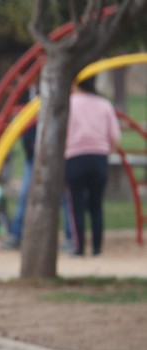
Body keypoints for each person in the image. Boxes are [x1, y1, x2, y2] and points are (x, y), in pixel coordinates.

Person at [64, 76, 120, 257]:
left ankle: (79, 247)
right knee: (96, 205)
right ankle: (97, 247)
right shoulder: (104, 104)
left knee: (76, 205)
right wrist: (106, 150)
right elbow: (115, 136)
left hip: (75, 158)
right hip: (99, 158)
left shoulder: (69, 103)